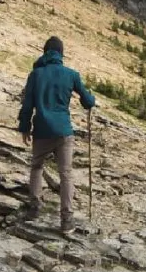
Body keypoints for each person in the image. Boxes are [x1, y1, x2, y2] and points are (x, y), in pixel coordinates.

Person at [18, 36, 95, 233]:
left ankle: (34, 209)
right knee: (66, 174)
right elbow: (87, 101)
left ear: (45, 52)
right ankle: (66, 221)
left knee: (37, 167)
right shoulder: (71, 74)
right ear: (61, 53)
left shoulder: (35, 74)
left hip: (42, 131)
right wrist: (91, 99)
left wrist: (25, 127)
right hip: (63, 132)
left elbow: (27, 105)